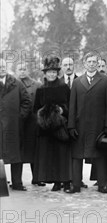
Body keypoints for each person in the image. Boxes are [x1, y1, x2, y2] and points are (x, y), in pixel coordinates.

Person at [66, 53, 107, 194]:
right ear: (84, 63)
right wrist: (71, 126)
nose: (92, 64)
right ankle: (75, 185)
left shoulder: (106, 81)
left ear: (97, 63)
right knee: (77, 155)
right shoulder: (77, 82)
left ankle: (102, 185)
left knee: (99, 155)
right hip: (79, 125)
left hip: (98, 126)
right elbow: (72, 106)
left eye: (95, 61)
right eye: (89, 61)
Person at [33, 57, 71, 191]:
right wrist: (42, 116)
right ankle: (56, 181)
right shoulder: (41, 89)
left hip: (61, 127)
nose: (51, 74)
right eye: (49, 72)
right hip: (46, 128)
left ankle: (66, 181)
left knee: (63, 155)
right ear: (45, 73)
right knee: (51, 155)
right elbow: (36, 108)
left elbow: (71, 106)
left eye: (54, 72)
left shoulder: (64, 87)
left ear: (57, 73)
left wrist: (62, 110)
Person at [0, 59, 32, 191]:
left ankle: (17, 183)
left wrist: (20, 117)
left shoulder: (16, 84)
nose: (1, 68)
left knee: (16, 154)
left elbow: (27, 102)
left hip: (14, 125)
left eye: (3, 66)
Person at [16, 61, 42, 185]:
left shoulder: (37, 85)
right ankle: (17, 180)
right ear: (16, 71)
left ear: (28, 70)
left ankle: (37, 178)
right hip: (18, 122)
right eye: (19, 69)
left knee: (34, 151)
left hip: (32, 122)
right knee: (18, 152)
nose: (22, 71)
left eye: (24, 68)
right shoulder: (12, 85)